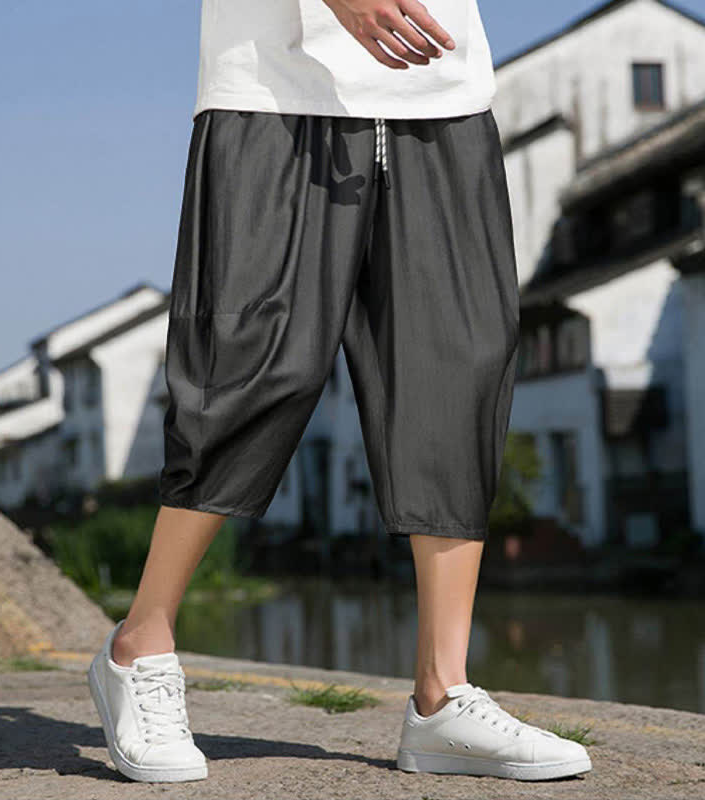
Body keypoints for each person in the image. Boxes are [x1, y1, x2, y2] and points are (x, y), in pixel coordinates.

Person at [87, 0, 592, 784]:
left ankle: (442, 696)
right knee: (252, 359)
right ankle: (140, 645)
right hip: (274, 84)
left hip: (442, 84)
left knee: (456, 365)